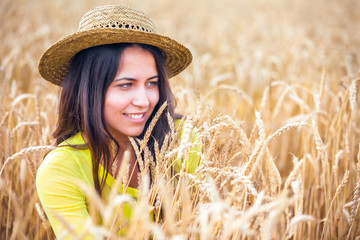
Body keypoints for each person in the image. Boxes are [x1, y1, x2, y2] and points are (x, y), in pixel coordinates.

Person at [36, 5, 201, 238]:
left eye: (152, 83)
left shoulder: (182, 139)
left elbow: (209, 223)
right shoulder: (61, 170)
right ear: (89, 89)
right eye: (126, 85)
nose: (144, 101)